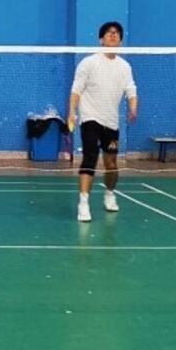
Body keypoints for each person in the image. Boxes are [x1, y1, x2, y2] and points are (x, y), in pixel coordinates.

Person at [68, 21, 139, 224]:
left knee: (111, 163)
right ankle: (83, 203)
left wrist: (133, 108)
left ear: (121, 40)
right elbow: (76, 89)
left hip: (111, 122)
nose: (113, 35)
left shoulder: (125, 67)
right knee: (90, 157)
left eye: (116, 33)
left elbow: (131, 90)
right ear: (101, 39)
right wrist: (72, 111)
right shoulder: (88, 63)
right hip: (90, 118)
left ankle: (109, 193)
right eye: (109, 33)